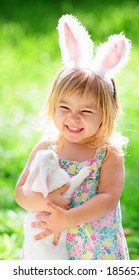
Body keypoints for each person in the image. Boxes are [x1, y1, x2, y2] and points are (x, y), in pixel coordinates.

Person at [15, 14, 132, 260]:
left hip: (95, 249)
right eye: (65, 108)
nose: (73, 118)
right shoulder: (48, 147)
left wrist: (68, 218)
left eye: (86, 111)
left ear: (107, 113)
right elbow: (21, 192)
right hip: (50, 249)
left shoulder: (108, 153)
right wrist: (47, 202)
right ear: (53, 105)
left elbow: (108, 198)